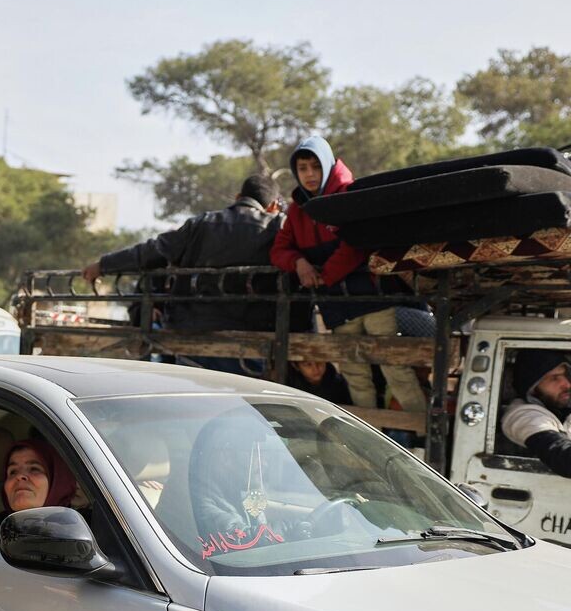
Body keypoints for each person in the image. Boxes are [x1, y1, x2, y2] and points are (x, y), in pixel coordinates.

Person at [270, 136, 429, 414]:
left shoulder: (350, 195)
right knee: (355, 373)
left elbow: (356, 242)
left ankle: (423, 432)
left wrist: (326, 275)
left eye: (315, 167)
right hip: (336, 306)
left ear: (327, 166)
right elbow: (279, 249)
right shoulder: (297, 210)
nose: (309, 174)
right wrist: (299, 263)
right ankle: (368, 434)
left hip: (375, 300)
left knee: (395, 369)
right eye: (303, 168)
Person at [82, 174, 284, 375]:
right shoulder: (277, 227)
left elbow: (152, 251)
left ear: (238, 197)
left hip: (193, 331)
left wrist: (103, 265)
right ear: (274, 206)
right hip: (254, 337)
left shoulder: (202, 223)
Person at [0, 438, 78, 544]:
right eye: (13, 472)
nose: (19, 476)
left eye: (34, 468)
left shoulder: (79, 534)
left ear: (58, 481)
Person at [501, 349, 571, 475]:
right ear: (533, 387)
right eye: (554, 378)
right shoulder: (522, 415)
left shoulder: (560, 408)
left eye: (565, 375)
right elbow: (563, 458)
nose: (567, 384)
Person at [287, 359, 353, 405]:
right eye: (308, 364)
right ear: (296, 366)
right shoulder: (289, 387)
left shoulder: (339, 384)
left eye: (319, 362)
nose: (315, 369)